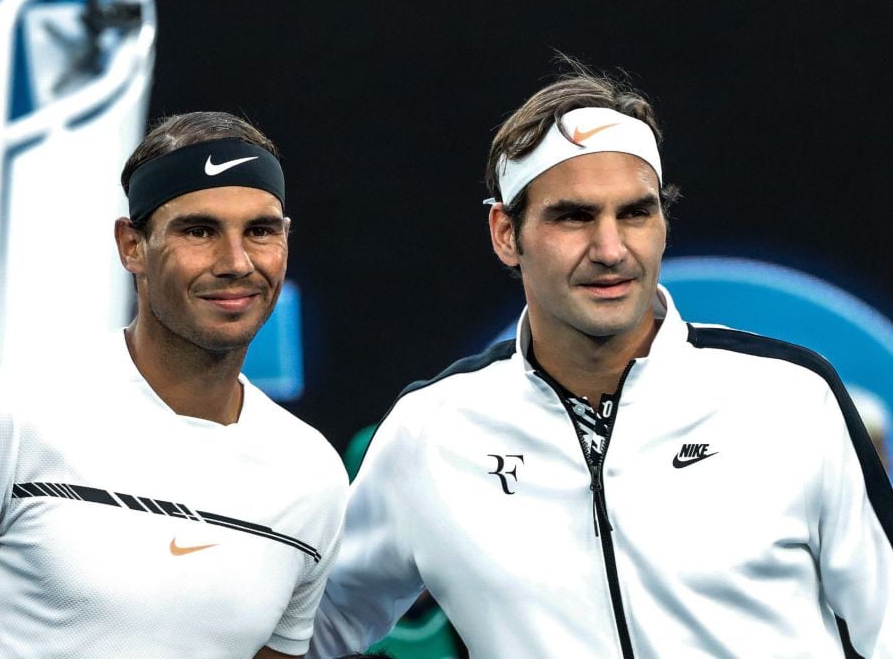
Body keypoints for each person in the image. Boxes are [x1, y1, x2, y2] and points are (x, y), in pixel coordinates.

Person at [308, 59, 893, 658]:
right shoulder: (430, 432)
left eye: (635, 213)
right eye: (574, 216)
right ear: (506, 234)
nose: (611, 249)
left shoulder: (792, 397)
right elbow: (309, 634)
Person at [0, 112, 348, 658]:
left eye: (259, 231)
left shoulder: (312, 474)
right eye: (199, 231)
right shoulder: (11, 418)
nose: (236, 262)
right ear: (132, 246)